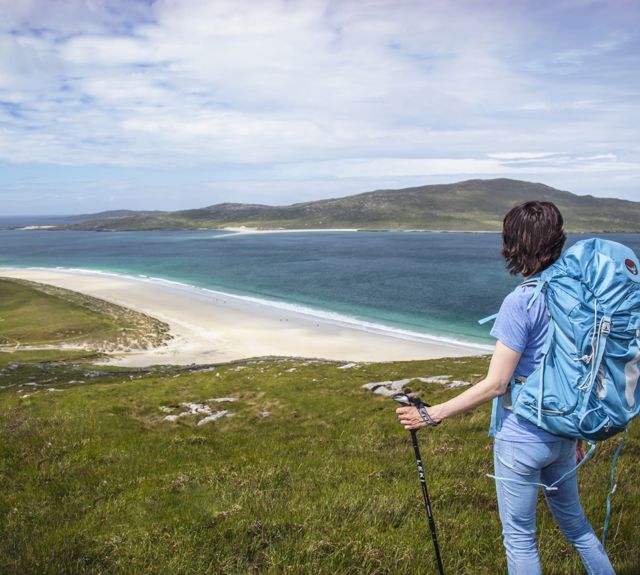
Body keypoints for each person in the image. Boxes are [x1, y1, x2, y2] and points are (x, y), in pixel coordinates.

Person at [396, 201, 615, 575]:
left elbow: (496, 384)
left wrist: (431, 414)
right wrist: (576, 432)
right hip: (564, 433)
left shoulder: (522, 300)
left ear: (514, 244)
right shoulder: (581, 299)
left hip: (523, 436)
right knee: (577, 528)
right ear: (557, 239)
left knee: (519, 538)